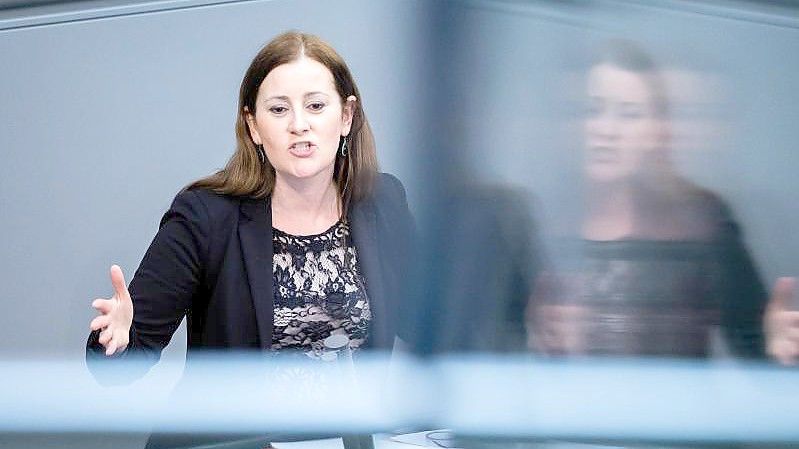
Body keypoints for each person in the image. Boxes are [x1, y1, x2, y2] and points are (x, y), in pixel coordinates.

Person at [86, 30, 413, 446]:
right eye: (279, 110)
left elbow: (423, 326)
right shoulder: (205, 214)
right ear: (254, 126)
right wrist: (119, 341)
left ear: (346, 116)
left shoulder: (382, 201)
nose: (300, 125)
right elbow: (119, 369)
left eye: (316, 105)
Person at [528, 40, 772, 359]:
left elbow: (756, 344)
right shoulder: (534, 220)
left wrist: (779, 342)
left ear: (655, 132)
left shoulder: (700, 220)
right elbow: (483, 350)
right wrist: (536, 338)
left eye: (629, 114)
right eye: (591, 110)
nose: (606, 130)